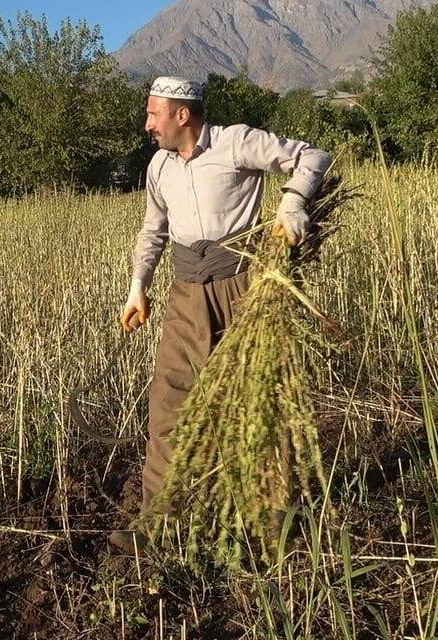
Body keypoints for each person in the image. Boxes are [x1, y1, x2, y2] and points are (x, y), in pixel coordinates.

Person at [109, 76, 333, 554]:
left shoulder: (235, 143)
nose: (148, 124)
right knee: (168, 403)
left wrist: (293, 203)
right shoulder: (159, 167)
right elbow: (153, 231)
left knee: (260, 398)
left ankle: (275, 519)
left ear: (182, 115)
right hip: (187, 292)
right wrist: (137, 289)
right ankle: (159, 521)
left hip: (246, 288)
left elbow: (312, 156)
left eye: (154, 114)